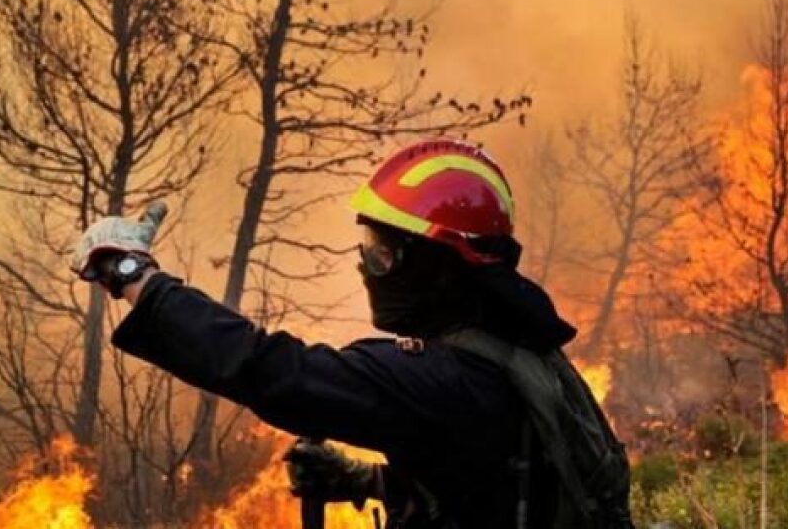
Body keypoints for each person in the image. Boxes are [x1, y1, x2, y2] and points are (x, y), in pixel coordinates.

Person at [71, 139, 631, 528]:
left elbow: (274, 372)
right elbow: (487, 490)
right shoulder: (520, 348)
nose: (367, 266)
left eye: (381, 254)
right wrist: (363, 480)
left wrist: (135, 278)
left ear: (437, 264)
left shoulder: (444, 379)